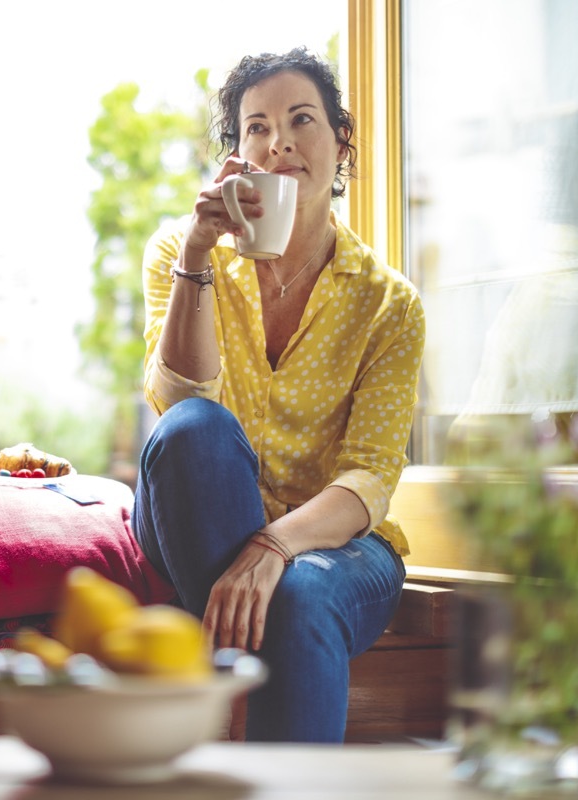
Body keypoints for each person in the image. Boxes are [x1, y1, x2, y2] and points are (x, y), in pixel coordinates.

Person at [132, 47, 426, 743]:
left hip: (337, 544)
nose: (279, 142)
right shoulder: (178, 250)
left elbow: (368, 478)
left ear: (341, 142)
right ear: (240, 156)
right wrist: (198, 255)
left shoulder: (389, 306)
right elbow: (178, 398)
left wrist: (274, 545)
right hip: (193, 510)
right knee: (196, 427)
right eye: (257, 128)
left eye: (301, 120)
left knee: (302, 592)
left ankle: (252, 735)